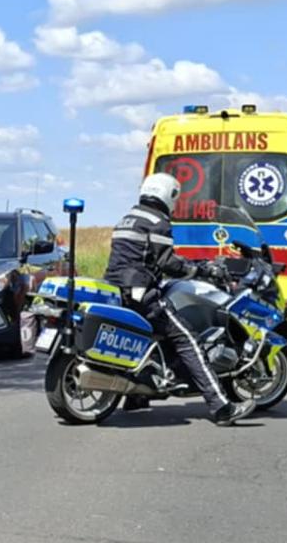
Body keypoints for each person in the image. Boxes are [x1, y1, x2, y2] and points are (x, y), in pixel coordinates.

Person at [101, 173, 237, 425]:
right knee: (187, 340)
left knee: (148, 338)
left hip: (116, 289)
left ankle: (137, 397)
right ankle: (221, 406)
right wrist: (199, 270)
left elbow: (139, 258)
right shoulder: (158, 221)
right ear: (167, 195)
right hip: (141, 293)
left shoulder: (127, 218)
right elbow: (168, 263)